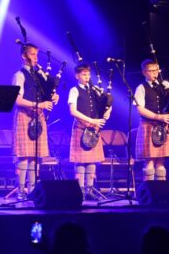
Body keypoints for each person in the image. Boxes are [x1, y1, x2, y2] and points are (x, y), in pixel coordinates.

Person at [12, 43, 59, 200]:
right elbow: (17, 99)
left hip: (38, 117)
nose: (36, 57)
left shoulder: (39, 76)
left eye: (36, 54)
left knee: (34, 156)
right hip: (25, 116)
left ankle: (32, 191)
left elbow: (46, 94)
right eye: (32, 54)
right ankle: (20, 190)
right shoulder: (19, 75)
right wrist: (37, 104)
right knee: (24, 156)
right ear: (23, 56)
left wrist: (53, 97)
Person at [67, 63, 111, 200]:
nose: (87, 77)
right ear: (77, 76)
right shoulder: (74, 90)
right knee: (80, 161)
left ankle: (89, 191)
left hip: (94, 129)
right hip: (81, 128)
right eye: (83, 74)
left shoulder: (95, 90)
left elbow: (107, 104)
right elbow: (73, 111)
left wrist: (107, 113)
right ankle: (79, 192)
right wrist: (91, 121)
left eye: (88, 74)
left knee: (92, 161)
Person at [133, 59, 169, 182]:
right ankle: (149, 192)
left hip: (164, 127)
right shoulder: (141, 88)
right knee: (150, 161)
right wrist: (159, 117)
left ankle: (161, 192)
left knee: (161, 162)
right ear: (144, 72)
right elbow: (140, 110)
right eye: (151, 71)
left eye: (156, 70)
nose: (154, 73)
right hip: (148, 125)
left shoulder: (164, 86)